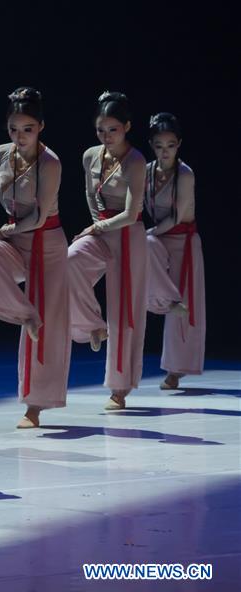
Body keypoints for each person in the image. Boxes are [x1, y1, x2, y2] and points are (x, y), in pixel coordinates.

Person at [0, 87, 70, 428]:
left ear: (40, 126)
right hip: (16, 240)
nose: (19, 136)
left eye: (27, 129)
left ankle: (35, 408)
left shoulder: (50, 161)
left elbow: (41, 216)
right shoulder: (1, 154)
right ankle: (23, 313)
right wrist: (11, 230)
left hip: (47, 242)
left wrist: (11, 229)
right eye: (14, 129)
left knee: (49, 330)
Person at [68, 91, 147, 410]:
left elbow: (130, 213)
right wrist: (95, 224)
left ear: (127, 126)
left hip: (128, 234)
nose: (106, 136)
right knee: (68, 261)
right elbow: (90, 195)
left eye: (113, 129)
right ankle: (92, 326)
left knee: (125, 311)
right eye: (101, 129)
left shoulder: (136, 160)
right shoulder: (90, 156)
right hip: (100, 231)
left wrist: (97, 227)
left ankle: (120, 388)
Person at [144, 112, 205, 389]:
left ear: (178, 144)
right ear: (152, 145)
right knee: (142, 247)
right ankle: (166, 301)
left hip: (181, 239)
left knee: (186, 306)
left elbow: (178, 216)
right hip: (158, 239)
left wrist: (148, 232)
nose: (164, 151)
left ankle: (175, 371)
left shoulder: (185, 174)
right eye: (159, 145)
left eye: (170, 145)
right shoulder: (146, 171)